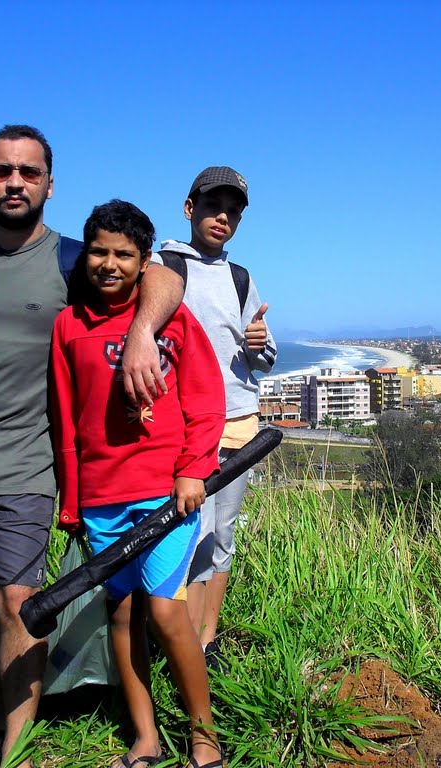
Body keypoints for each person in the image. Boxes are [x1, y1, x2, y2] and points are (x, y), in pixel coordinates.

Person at [0, 125, 184, 768]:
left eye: (29, 173)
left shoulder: (71, 260)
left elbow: (164, 279)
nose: (15, 183)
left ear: (50, 186)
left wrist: (141, 335)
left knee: (18, 602)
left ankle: (12, 742)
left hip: (25, 463)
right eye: (2, 171)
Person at [51, 200, 226, 768]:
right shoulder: (68, 325)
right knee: (121, 616)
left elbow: (204, 397)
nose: (109, 264)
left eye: (124, 255)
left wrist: (193, 468)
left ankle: (203, 732)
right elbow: (65, 420)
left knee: (168, 612)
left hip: (166, 494)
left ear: (143, 260)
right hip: (103, 499)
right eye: (99, 251)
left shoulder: (169, 320)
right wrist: (72, 504)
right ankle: (145, 735)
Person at [155, 166, 277, 667]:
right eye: (212, 206)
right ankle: (175, 643)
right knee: (181, 533)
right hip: (180, 426)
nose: (222, 217)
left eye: (233, 211)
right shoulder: (162, 266)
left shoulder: (240, 277)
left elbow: (263, 355)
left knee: (221, 534)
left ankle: (207, 641)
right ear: (190, 209)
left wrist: (259, 345)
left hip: (238, 419)